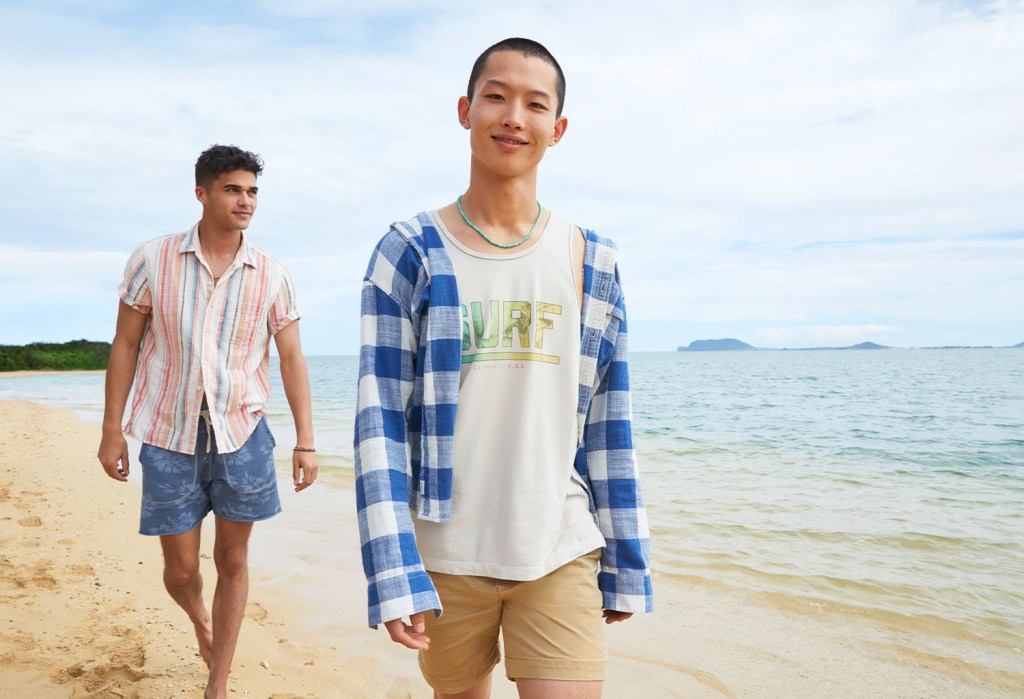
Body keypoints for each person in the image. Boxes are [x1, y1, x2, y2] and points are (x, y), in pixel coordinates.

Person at [354, 38, 652, 698]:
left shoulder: (590, 257)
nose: (513, 115)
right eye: (496, 96)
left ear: (558, 128)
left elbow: (610, 419)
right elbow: (379, 422)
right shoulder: (409, 251)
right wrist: (392, 566)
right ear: (465, 111)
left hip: (560, 544)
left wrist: (627, 555)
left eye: (534, 103)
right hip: (445, 555)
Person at [97, 144, 318, 699]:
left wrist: (306, 441)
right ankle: (201, 621)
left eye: (252, 191)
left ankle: (216, 682)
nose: (245, 201)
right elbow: (125, 343)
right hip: (168, 433)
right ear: (202, 193)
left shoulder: (272, 273)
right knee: (180, 572)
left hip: (242, 433)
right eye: (232, 189)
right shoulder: (152, 259)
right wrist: (111, 428)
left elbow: (290, 358)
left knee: (233, 558)